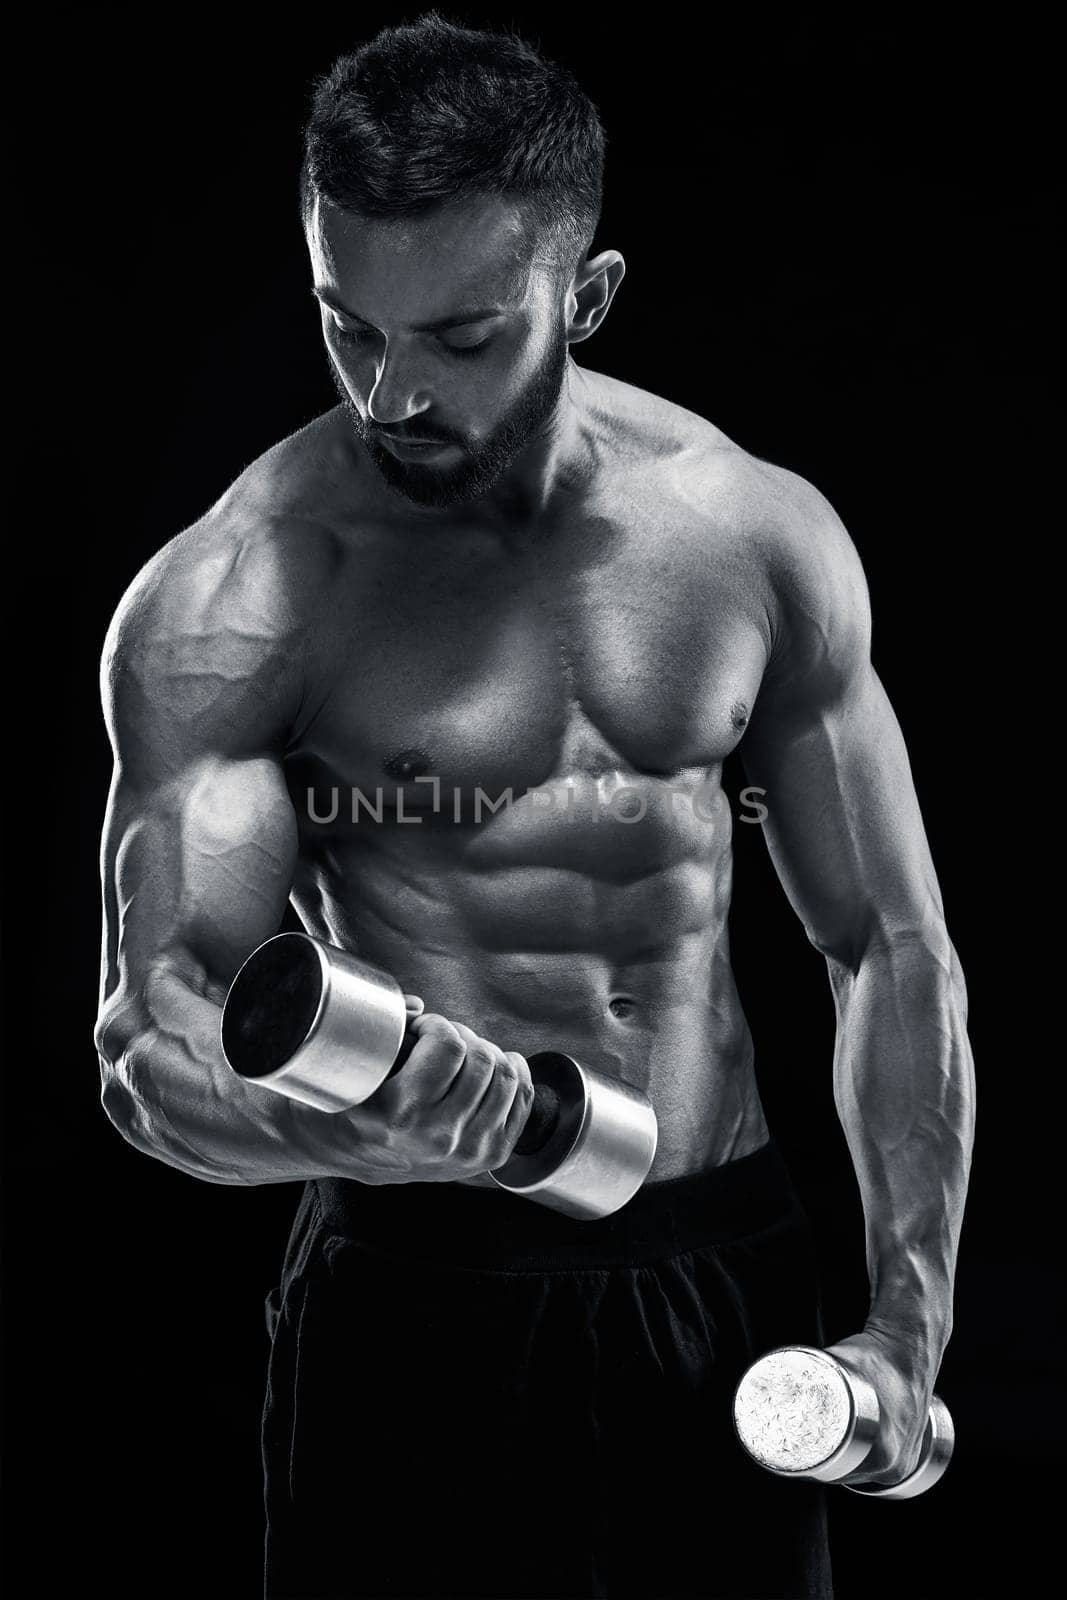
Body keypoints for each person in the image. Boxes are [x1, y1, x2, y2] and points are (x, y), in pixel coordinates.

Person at [94, 13, 975, 1598]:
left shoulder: (749, 539)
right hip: (413, 1284)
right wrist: (372, 1131)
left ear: (593, 294)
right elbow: (150, 1046)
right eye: (346, 325)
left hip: (718, 1261)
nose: (390, 395)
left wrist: (906, 1326)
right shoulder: (239, 595)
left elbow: (891, 949)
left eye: (462, 336)